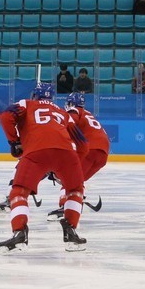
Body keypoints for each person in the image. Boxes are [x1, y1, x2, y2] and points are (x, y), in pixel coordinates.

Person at [0, 82, 88, 254]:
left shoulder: (26, 104)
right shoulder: (62, 112)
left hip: (36, 153)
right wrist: (71, 167)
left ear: (34, 95)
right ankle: (71, 233)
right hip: (67, 154)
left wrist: (14, 141)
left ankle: (20, 233)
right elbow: (82, 145)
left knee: (18, 192)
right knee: (75, 190)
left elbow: (5, 116)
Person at [47, 92, 110, 221]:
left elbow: (69, 123)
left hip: (91, 149)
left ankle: (65, 207)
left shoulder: (74, 111)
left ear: (71, 103)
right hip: (103, 153)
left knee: (69, 177)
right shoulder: (88, 114)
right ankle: (78, 198)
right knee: (77, 180)